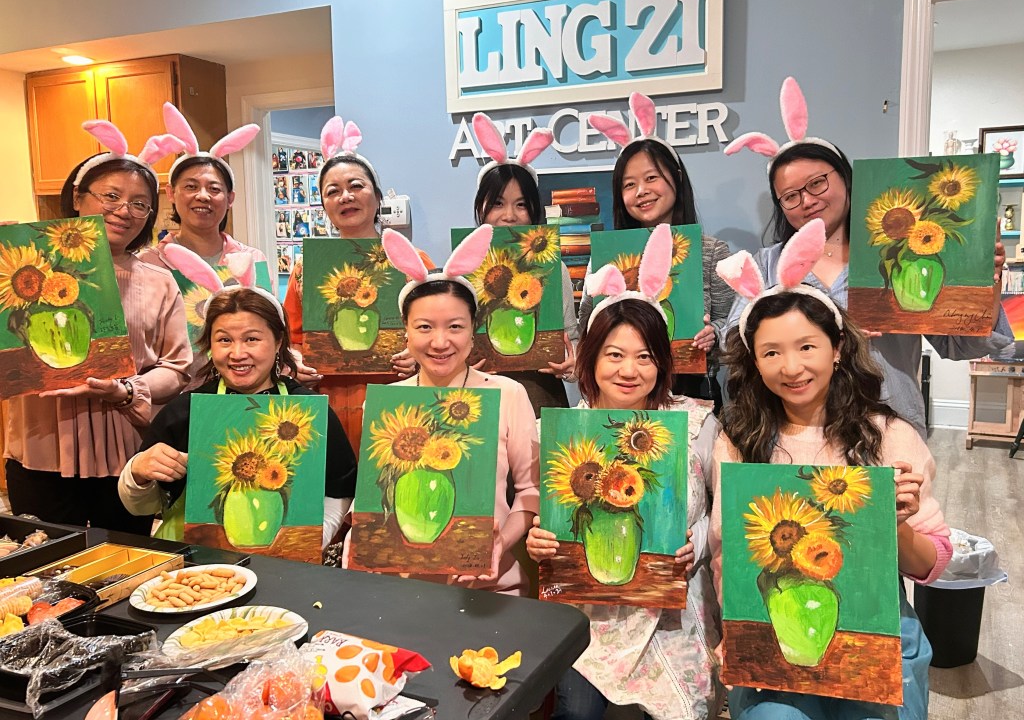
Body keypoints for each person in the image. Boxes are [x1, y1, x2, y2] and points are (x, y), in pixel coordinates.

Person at [709, 218, 951, 720]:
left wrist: (895, 525)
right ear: (754, 362)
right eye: (771, 352)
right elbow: (726, 555)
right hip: (775, 632)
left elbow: (932, 563)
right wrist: (735, 628)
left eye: (807, 347)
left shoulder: (888, 434)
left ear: (837, 349)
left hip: (873, 632)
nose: (791, 367)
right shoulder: (738, 441)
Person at [725, 76, 1012, 437]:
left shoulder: (903, 255)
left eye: (817, 183)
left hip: (889, 429)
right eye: (791, 196)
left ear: (845, 178)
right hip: (795, 436)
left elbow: (961, 344)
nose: (807, 201)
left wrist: (985, 284)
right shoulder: (767, 265)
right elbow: (734, 344)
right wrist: (828, 334)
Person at [525, 224, 723, 720]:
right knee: (577, 712)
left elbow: (723, 514)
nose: (629, 371)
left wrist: (695, 544)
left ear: (663, 363)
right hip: (588, 604)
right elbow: (548, 518)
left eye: (645, 357)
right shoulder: (562, 433)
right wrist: (541, 541)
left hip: (674, 602)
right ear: (591, 359)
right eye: (614, 355)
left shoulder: (697, 423)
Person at [3, 123, 191, 534]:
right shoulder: (23, 270)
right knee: (45, 559)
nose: (124, 210)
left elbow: (177, 368)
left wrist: (127, 389)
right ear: (77, 196)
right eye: (111, 196)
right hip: (41, 447)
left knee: (127, 559)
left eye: (140, 204)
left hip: (126, 453)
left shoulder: (159, 281)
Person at [349, 224, 539, 595]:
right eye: (424, 327)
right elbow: (373, 493)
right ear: (405, 330)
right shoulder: (385, 403)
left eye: (455, 326)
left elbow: (531, 491)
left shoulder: (508, 394)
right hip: (402, 588)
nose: (440, 342)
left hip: (490, 587)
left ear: (473, 329)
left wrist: (500, 544)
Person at [117, 284, 357, 547]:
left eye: (251, 339)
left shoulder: (309, 411)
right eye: (224, 340)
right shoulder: (186, 410)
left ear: (278, 342)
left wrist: (313, 539)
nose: (238, 354)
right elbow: (141, 506)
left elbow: (339, 490)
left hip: (283, 561)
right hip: (193, 561)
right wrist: (137, 472)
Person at [583, 93, 735, 410]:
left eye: (651, 178)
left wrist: (714, 335)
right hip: (622, 395)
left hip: (692, 390)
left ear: (676, 179)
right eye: (629, 184)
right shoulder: (607, 257)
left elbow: (732, 326)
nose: (642, 191)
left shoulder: (710, 251)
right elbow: (588, 323)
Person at [283, 116, 426, 451]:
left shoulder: (411, 260)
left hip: (398, 396)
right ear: (324, 206)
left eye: (356, 186)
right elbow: (292, 337)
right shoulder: (306, 269)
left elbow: (438, 327)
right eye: (333, 191)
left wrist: (417, 354)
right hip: (327, 400)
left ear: (377, 197)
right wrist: (296, 361)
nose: (345, 196)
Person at [138, 104, 269, 389]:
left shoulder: (250, 259)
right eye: (190, 186)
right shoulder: (148, 264)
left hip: (242, 396)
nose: (203, 196)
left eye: (214, 188)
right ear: (171, 193)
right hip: (170, 399)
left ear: (230, 198)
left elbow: (268, 330)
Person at [470, 113, 577, 413]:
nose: (509, 216)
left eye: (521, 205)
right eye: (497, 203)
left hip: (541, 398)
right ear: (481, 208)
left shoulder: (553, 268)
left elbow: (572, 336)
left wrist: (571, 364)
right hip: (481, 399)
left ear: (533, 211)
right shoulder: (463, 268)